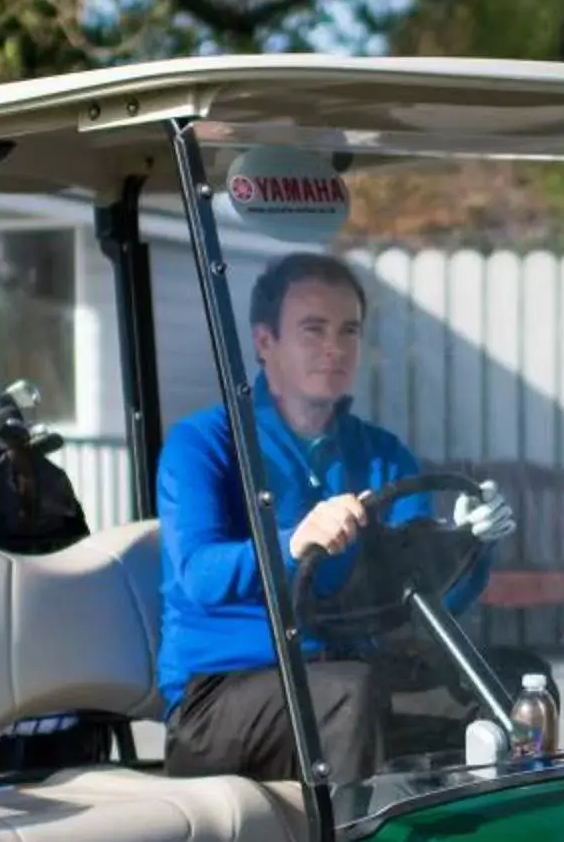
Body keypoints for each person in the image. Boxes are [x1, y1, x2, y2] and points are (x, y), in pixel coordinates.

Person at [157, 251, 519, 784]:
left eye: (348, 330)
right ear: (264, 343)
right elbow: (201, 575)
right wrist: (293, 543)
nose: (334, 347)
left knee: (514, 683)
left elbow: (420, 607)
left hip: (345, 679)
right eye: (312, 329)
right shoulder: (206, 445)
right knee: (350, 692)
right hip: (218, 698)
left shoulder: (382, 454)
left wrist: (468, 547)